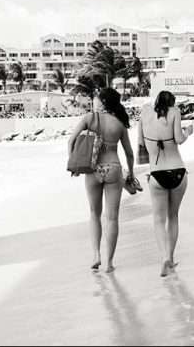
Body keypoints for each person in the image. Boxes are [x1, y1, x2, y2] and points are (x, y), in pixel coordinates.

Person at [67, 87, 134, 273]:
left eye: (97, 99)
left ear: (103, 101)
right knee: (112, 217)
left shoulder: (89, 118)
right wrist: (132, 173)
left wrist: (74, 164)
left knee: (94, 213)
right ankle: (109, 263)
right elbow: (129, 154)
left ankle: (96, 254)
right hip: (113, 169)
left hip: (93, 170)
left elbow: (71, 141)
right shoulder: (119, 124)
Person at [138, 91, 193, 276]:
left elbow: (140, 142)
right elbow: (179, 139)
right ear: (172, 102)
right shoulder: (175, 112)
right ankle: (171, 257)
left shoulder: (144, 113)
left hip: (156, 174)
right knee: (173, 216)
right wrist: (188, 132)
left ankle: (163, 257)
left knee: (158, 220)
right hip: (177, 171)